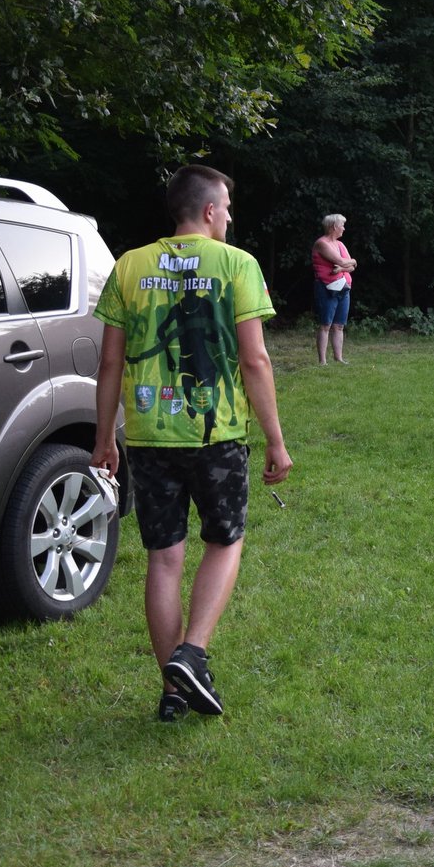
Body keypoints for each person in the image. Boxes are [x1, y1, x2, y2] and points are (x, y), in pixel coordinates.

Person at [91, 165, 292, 721]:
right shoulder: (237, 264)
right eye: (226, 207)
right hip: (216, 433)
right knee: (226, 541)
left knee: (164, 559)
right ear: (208, 211)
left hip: (150, 436)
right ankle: (193, 652)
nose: (229, 216)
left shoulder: (129, 266)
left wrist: (105, 438)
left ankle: (173, 692)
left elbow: (109, 362)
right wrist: (275, 439)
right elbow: (254, 359)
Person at [312, 213, 358, 366]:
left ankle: (338, 358)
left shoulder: (340, 244)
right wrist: (348, 263)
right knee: (326, 325)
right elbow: (341, 261)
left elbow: (352, 266)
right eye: (342, 225)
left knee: (339, 325)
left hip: (344, 287)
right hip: (326, 288)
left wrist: (342, 268)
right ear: (334, 227)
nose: (344, 228)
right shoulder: (321, 243)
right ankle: (322, 361)